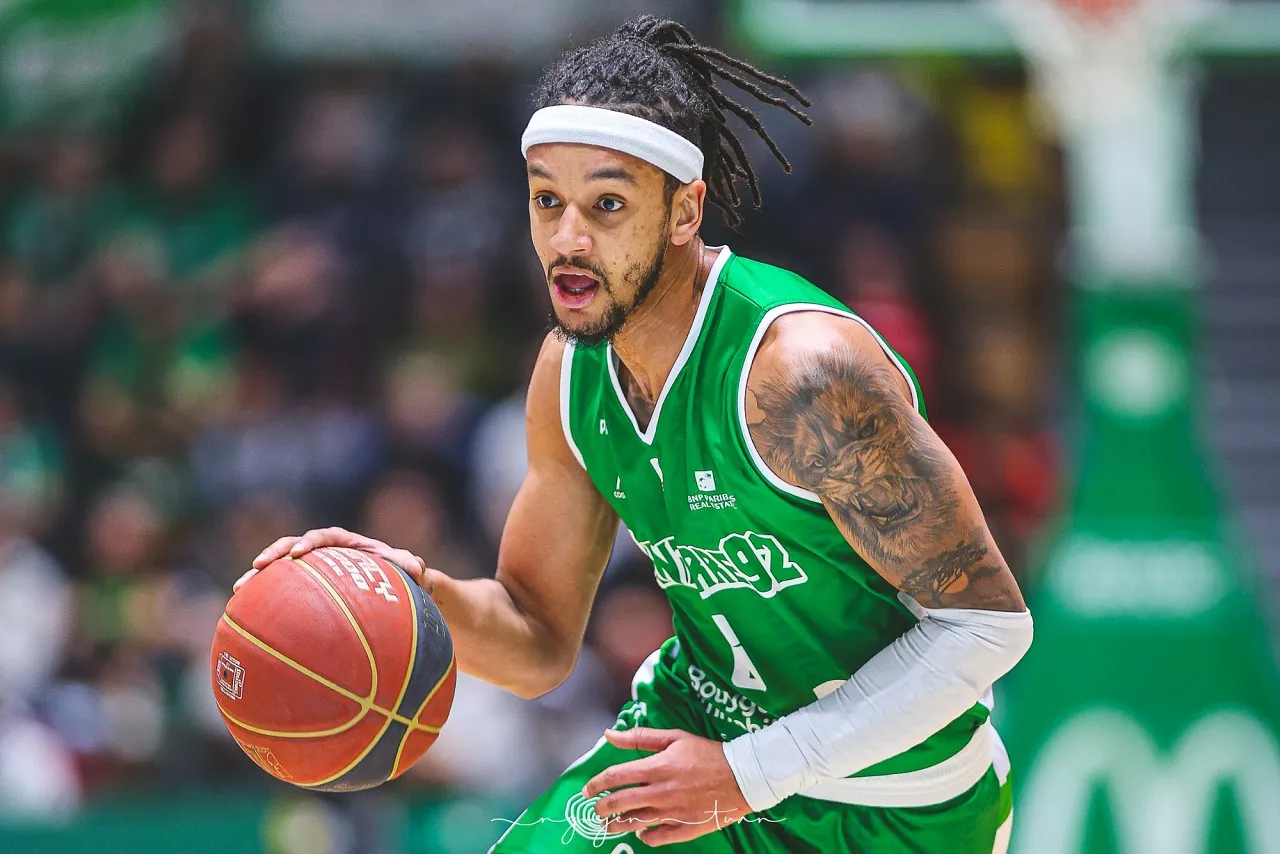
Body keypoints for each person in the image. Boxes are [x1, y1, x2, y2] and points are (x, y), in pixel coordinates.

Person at [238, 16, 1032, 853]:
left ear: (685, 210)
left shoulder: (802, 376)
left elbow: (986, 628)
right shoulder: (571, 373)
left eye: (607, 205)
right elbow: (538, 640)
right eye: (548, 201)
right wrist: (410, 597)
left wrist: (748, 774)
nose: (567, 240)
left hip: (894, 799)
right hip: (690, 747)